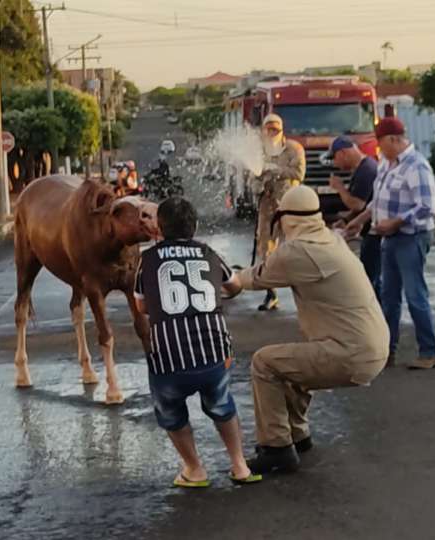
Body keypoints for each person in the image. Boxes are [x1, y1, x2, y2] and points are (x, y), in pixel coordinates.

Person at [224, 185, 390, 474]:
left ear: (286, 218)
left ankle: (276, 448)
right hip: (373, 347)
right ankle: (297, 435)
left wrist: (216, 281)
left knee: (264, 363)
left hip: (350, 354)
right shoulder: (331, 240)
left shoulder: (298, 252)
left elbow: (244, 281)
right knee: (290, 363)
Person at [135, 197, 262, 488]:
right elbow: (234, 286)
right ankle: (240, 466)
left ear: (160, 228)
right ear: (194, 227)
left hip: (169, 359)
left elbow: (142, 306)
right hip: (215, 353)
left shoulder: (147, 260)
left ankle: (194, 469)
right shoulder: (209, 252)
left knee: (171, 411)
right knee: (221, 404)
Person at [345, 117, 435, 369]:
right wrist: (362, 219)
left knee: (414, 294)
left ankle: (428, 352)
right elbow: (378, 201)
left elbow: (427, 207)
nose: (378, 148)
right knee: (389, 297)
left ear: (394, 140)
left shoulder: (416, 166)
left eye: (381, 142)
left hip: (411, 237)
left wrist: (397, 222)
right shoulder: (387, 165)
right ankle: (387, 351)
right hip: (388, 237)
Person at [252, 113, 306, 312]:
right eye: (268, 129)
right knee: (266, 250)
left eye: (275, 129)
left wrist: (276, 170)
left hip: (290, 206)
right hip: (267, 208)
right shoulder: (258, 152)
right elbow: (253, 179)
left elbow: (298, 174)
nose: (272, 132)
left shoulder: (293, 149)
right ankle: (271, 293)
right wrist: (259, 186)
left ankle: (304, 295)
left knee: (295, 249)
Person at [324, 135, 381, 299]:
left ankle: (377, 318)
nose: (335, 163)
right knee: (372, 278)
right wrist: (347, 220)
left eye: (335, 158)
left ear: (343, 153)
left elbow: (357, 204)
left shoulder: (366, 170)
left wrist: (340, 188)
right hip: (369, 231)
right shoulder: (362, 168)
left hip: (375, 233)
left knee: (371, 280)